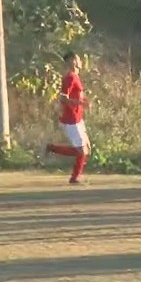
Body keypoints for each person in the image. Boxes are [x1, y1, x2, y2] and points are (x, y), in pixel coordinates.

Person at [44, 52, 90, 184]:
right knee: (82, 151)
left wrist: (82, 102)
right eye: (78, 58)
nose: (81, 61)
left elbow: (76, 96)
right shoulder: (69, 78)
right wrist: (80, 103)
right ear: (72, 61)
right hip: (71, 119)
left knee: (85, 149)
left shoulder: (76, 77)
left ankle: (52, 148)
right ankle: (74, 178)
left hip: (78, 118)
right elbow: (63, 98)